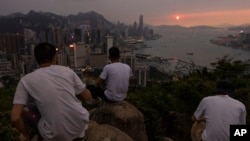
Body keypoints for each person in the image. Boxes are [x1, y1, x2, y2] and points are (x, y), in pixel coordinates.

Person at [11, 42, 92, 141]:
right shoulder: (68, 71)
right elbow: (88, 96)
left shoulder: (26, 80)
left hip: (54, 135)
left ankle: (34, 135)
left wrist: (25, 134)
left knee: (27, 107)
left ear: (36, 59)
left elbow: (15, 118)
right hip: (80, 127)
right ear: (55, 58)